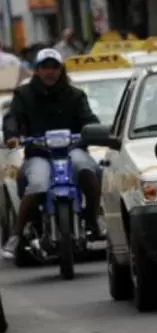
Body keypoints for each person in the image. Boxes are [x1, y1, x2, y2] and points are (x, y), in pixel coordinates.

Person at [2, 48, 103, 260]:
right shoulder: (23, 95)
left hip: (73, 151)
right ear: (37, 70)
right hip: (39, 154)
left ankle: (93, 220)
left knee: (87, 170)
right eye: (45, 67)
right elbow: (12, 118)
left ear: (61, 70)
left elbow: (89, 119)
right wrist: (12, 135)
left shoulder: (75, 95)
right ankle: (18, 234)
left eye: (54, 67)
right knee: (37, 183)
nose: (50, 72)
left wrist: (92, 131)